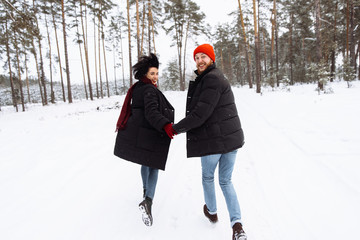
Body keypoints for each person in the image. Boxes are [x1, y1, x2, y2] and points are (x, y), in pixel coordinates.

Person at [168, 44, 247, 240]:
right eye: (197, 57)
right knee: (226, 180)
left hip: (215, 141)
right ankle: (237, 225)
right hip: (230, 139)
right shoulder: (215, 77)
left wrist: (175, 128)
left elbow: (199, 114)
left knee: (209, 177)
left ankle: (212, 212)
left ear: (211, 59)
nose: (200, 60)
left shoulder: (211, 79)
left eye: (204, 56)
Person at [113, 53, 176, 227]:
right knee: (153, 167)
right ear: (145, 74)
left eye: (157, 73)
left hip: (142, 134)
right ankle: (148, 201)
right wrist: (166, 125)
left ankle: (144, 191)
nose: (155, 77)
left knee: (145, 163)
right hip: (151, 134)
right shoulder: (149, 89)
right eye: (152, 74)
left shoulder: (138, 87)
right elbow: (151, 112)